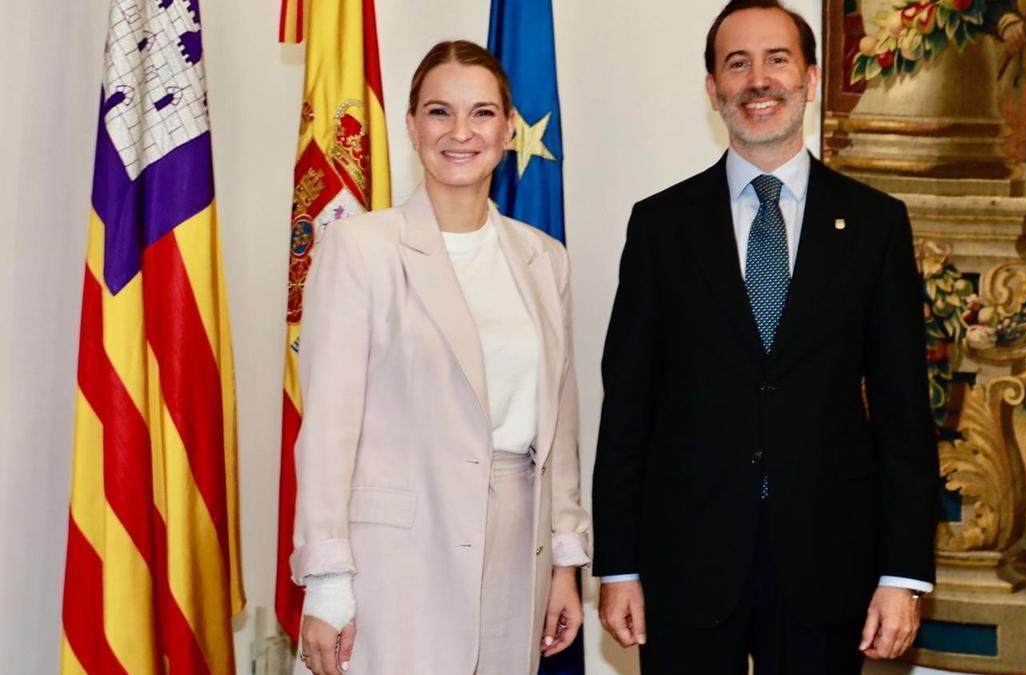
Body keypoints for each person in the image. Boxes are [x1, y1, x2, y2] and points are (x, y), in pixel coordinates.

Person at [591, 1, 940, 672]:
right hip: (685, 564)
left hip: (827, 564)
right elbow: (627, 407)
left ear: (809, 77)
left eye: (777, 59)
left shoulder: (875, 226)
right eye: (737, 63)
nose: (759, 80)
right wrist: (619, 564)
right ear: (713, 88)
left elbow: (904, 415)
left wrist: (903, 575)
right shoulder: (661, 227)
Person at [289, 40, 590, 675]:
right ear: (411, 125)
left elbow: (560, 426)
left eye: (482, 113)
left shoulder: (545, 259)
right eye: (439, 112)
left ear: (509, 129)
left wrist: (565, 560)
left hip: (516, 555)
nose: (461, 133)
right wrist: (327, 581)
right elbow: (328, 430)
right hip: (392, 564)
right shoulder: (360, 248)